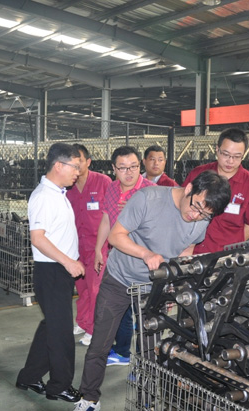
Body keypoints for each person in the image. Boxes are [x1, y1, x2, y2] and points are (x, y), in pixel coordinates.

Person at [74, 170, 231, 411]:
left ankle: (145, 400)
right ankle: (89, 398)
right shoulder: (148, 199)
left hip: (154, 288)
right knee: (100, 344)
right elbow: (115, 236)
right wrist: (146, 254)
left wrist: (175, 278)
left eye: (204, 214)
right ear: (189, 188)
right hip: (120, 279)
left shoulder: (202, 217)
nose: (195, 216)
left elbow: (187, 247)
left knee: (150, 350)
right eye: (196, 207)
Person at [16, 142, 84, 403]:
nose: (77, 172)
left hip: (58, 271)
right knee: (61, 332)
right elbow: (38, 238)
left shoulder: (58, 193)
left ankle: (29, 376)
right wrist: (69, 262)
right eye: (74, 167)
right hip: (52, 270)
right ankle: (59, 386)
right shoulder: (44, 197)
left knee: (52, 327)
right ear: (58, 165)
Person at [93, 146, 155, 368]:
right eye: (122, 168)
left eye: (134, 167)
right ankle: (122, 352)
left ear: (140, 165)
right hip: (117, 264)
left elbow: (159, 228)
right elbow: (106, 219)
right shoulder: (111, 188)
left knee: (145, 319)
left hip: (143, 265)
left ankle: (144, 368)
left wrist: (137, 209)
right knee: (119, 312)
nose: (129, 173)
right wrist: (99, 249)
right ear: (113, 168)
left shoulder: (151, 191)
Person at [182, 128, 249, 253]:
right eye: (225, 154)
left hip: (224, 255)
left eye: (237, 157)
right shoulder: (198, 173)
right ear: (217, 150)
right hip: (191, 250)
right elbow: (181, 204)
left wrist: (229, 250)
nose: (230, 161)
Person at [66, 144, 112, 346]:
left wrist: (103, 247)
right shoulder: (67, 186)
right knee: (82, 288)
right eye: (72, 162)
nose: (76, 166)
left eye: (80, 161)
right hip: (76, 246)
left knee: (95, 289)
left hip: (97, 246)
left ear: (88, 162)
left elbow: (110, 215)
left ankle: (94, 329)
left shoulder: (103, 182)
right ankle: (83, 322)